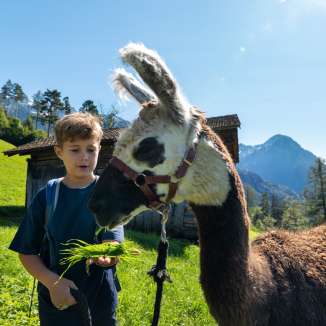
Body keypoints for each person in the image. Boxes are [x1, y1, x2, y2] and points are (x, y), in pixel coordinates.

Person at [9, 112, 124, 326]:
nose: (84, 157)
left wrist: (109, 253)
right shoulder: (47, 195)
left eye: (91, 149)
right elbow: (26, 252)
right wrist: (53, 283)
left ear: (99, 150)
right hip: (56, 296)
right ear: (59, 151)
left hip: (100, 297)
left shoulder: (108, 195)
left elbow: (113, 241)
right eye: (75, 150)